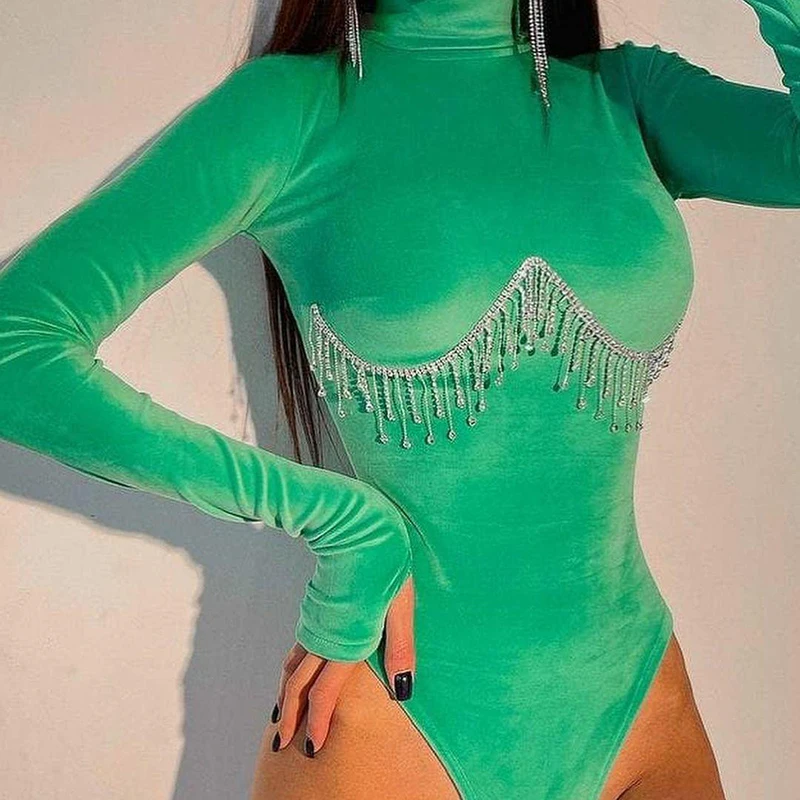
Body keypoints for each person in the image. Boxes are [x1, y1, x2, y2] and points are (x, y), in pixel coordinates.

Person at [1, 0, 798, 798]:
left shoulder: (628, 97)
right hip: (397, 725)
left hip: (637, 705)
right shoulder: (290, 112)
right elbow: (18, 342)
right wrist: (341, 519)